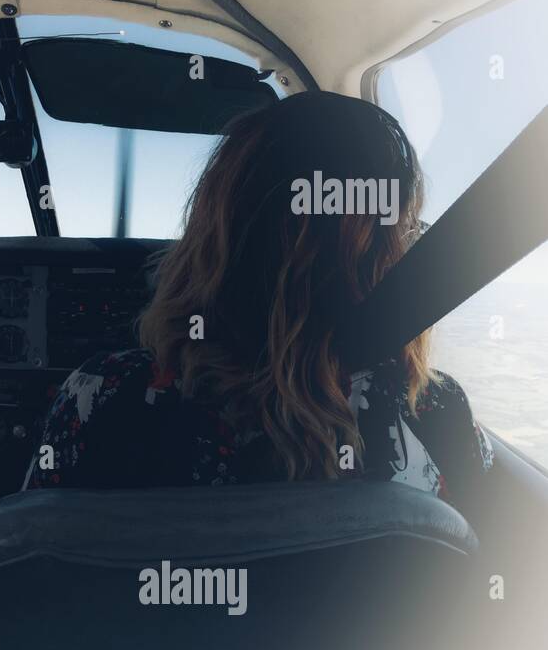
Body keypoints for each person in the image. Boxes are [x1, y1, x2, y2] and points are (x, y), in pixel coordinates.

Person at [26, 91, 493, 503]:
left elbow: (32, 565)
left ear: (213, 235)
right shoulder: (436, 411)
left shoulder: (102, 397)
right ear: (388, 251)